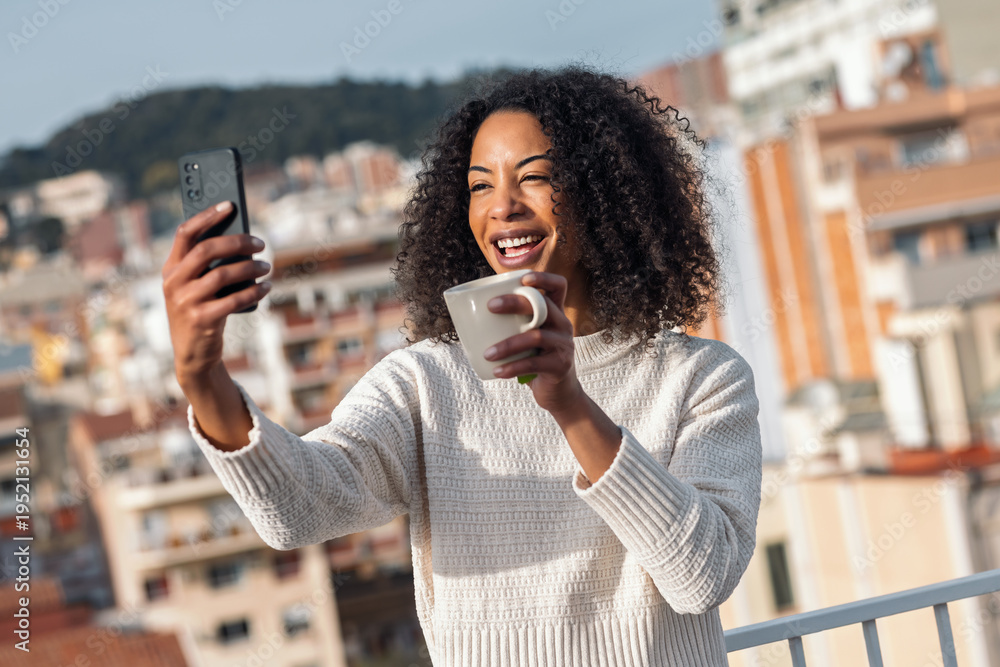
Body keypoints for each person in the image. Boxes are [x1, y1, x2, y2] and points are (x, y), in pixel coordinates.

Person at [162, 67, 763, 666]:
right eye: (480, 186)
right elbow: (296, 511)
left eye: (535, 178)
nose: (502, 206)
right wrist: (201, 376)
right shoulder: (426, 383)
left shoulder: (703, 378)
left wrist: (569, 402)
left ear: (607, 195)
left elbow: (701, 578)